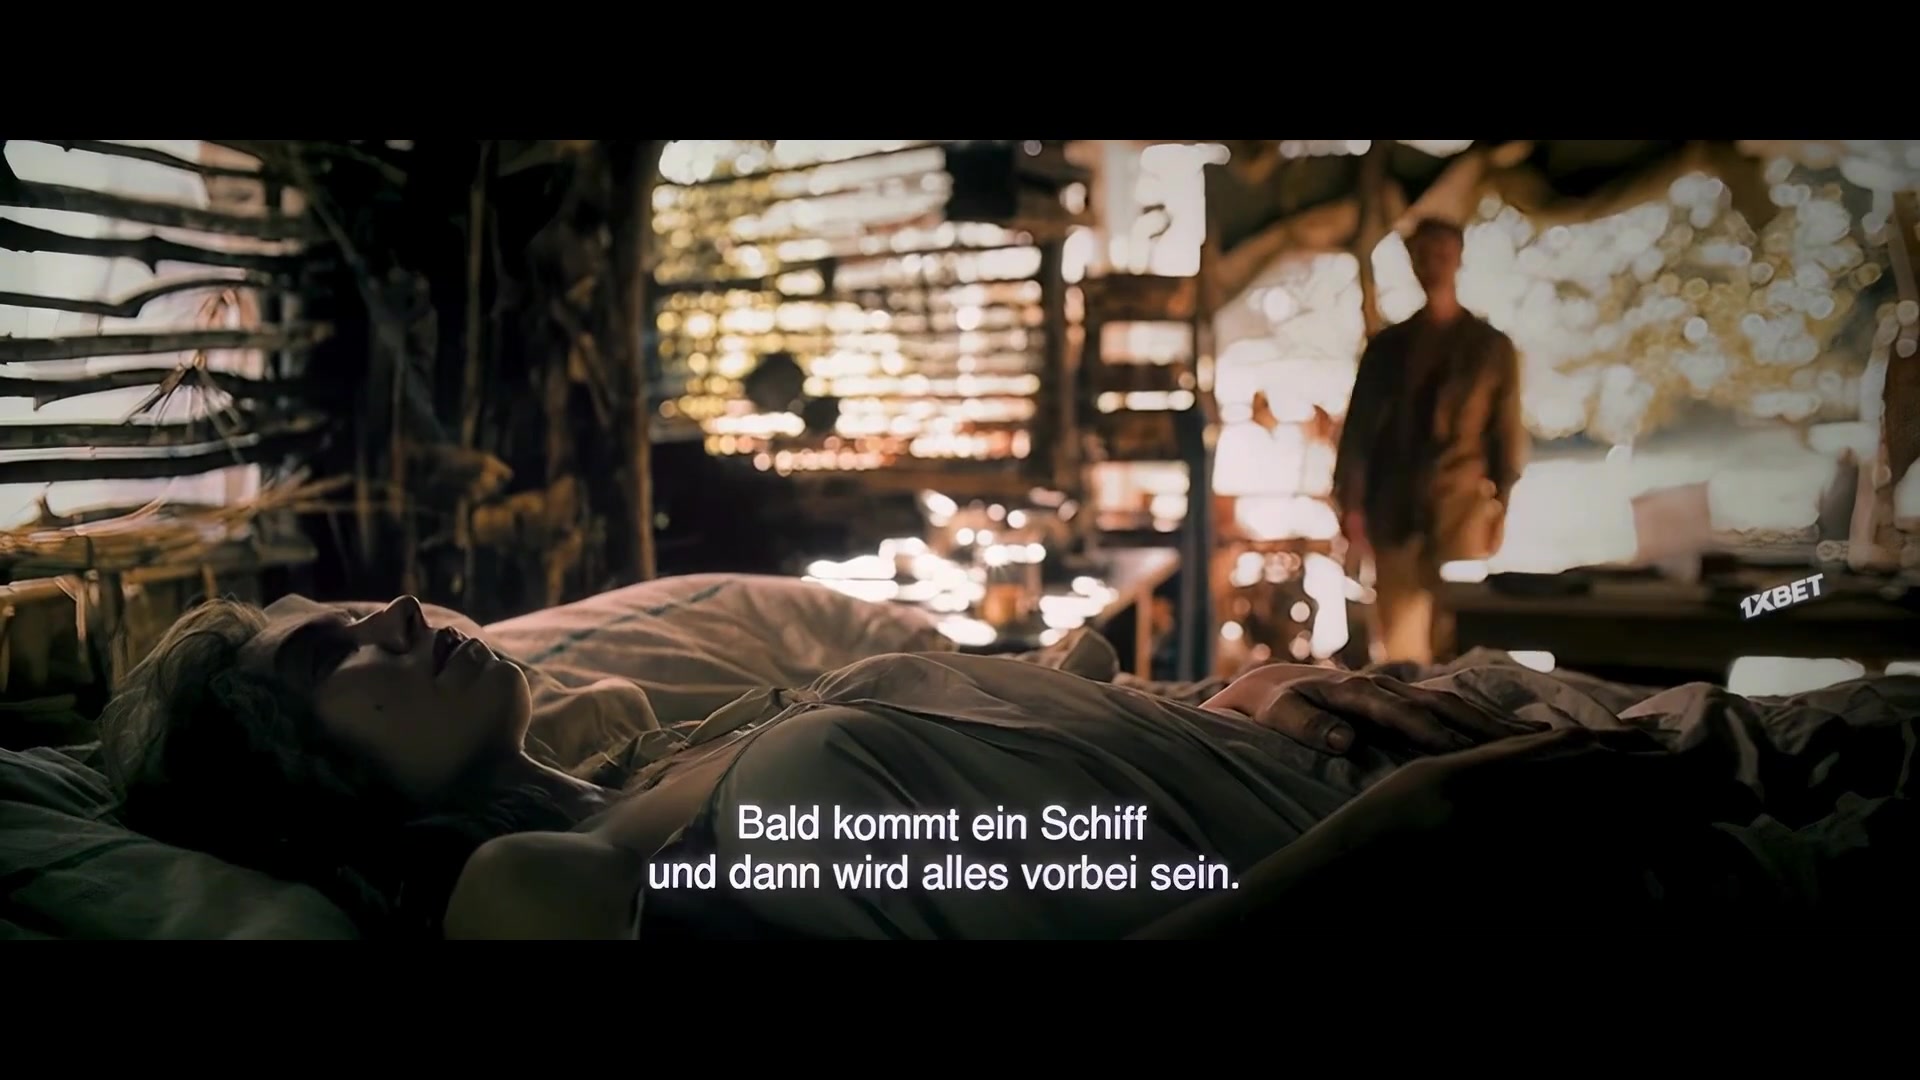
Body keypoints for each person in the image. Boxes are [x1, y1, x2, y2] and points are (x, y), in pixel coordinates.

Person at [94, 596, 1772, 938]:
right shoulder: (549, 886)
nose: (399, 611)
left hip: (1492, 746)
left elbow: (1033, 825)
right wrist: (1405, 837)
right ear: (299, 782)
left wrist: (1221, 700)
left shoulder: (645, 766)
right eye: (332, 657)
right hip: (1552, 863)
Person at [1333, 218, 1528, 665]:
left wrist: (1501, 505)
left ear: (1458, 258)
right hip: (1394, 510)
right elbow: (1358, 433)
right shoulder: (1388, 348)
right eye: (1423, 255)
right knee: (1401, 648)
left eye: (1442, 254)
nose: (1433, 265)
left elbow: (1505, 433)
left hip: (1461, 509)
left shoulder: (1490, 348)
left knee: (1461, 640)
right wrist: (1351, 506)